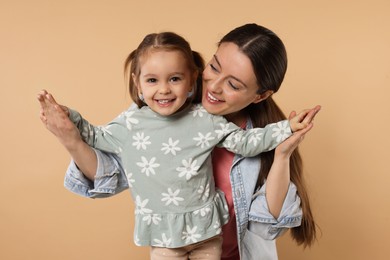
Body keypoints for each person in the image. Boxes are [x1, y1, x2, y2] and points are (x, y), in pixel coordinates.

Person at [39, 24, 320, 259]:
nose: (214, 86)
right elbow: (109, 176)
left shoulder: (258, 138)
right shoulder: (160, 110)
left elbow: (266, 227)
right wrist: (71, 138)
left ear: (260, 95)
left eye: (233, 84)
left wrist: (281, 155)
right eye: (214, 66)